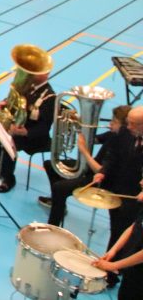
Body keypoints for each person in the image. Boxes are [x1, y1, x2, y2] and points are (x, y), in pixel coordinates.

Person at [40, 104, 130, 226]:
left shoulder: (122, 145)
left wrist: (84, 151)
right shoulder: (113, 134)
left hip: (100, 180)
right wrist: (77, 126)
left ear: (125, 127)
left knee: (59, 188)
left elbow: (100, 170)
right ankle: (57, 203)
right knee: (51, 165)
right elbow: (94, 139)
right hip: (89, 170)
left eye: (114, 122)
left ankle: (53, 225)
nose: (110, 124)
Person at [0, 65, 55, 193]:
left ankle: (9, 178)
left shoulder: (50, 97)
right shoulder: (27, 86)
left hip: (34, 137)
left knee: (9, 142)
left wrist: (26, 132)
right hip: (17, 128)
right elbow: (13, 100)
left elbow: (44, 128)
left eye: (37, 71)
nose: (32, 73)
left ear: (46, 74)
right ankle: (1, 165)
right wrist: (3, 105)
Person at [90, 106, 143, 261]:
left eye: (133, 124)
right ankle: (110, 263)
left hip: (136, 198)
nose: (128, 126)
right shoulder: (126, 132)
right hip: (118, 189)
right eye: (128, 122)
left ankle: (113, 267)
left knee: (128, 236)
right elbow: (112, 155)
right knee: (116, 230)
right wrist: (103, 171)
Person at [93, 176, 143, 300]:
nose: (140, 182)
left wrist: (113, 266)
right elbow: (133, 226)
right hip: (133, 270)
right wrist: (113, 251)